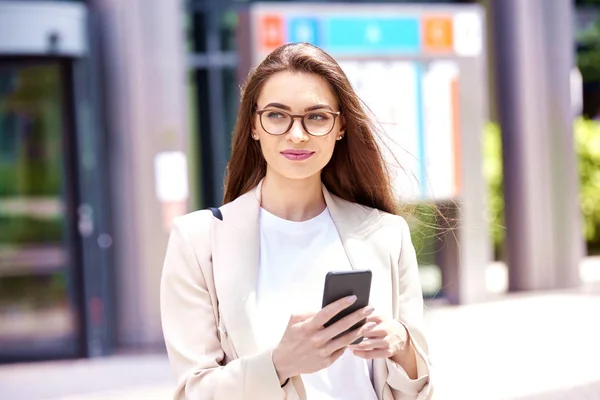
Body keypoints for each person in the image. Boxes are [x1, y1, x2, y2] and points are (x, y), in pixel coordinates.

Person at [160, 42, 432, 400]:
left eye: (316, 117)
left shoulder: (384, 233)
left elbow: (418, 389)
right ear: (254, 125)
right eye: (276, 115)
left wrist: (402, 344)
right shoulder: (198, 241)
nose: (297, 134)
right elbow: (193, 391)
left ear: (340, 127)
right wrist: (279, 364)